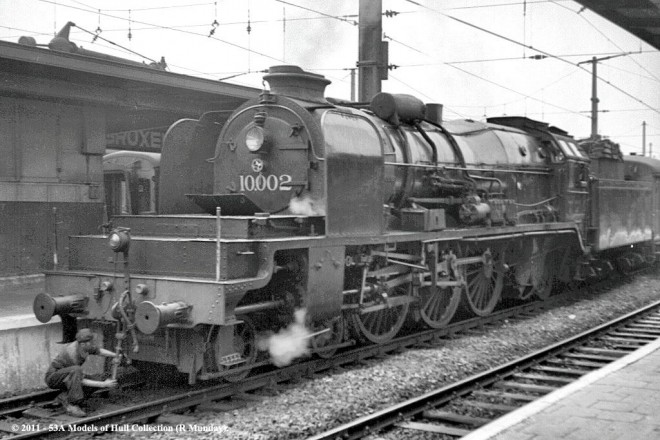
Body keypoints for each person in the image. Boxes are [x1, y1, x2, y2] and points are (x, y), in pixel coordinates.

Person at [45, 328, 118, 417]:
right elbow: (80, 380)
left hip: (67, 376)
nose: (93, 344)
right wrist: (103, 384)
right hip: (53, 377)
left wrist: (115, 355)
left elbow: (98, 351)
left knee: (98, 378)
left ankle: (64, 397)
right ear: (83, 344)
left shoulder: (84, 346)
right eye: (91, 342)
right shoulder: (72, 355)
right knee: (77, 371)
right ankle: (72, 405)